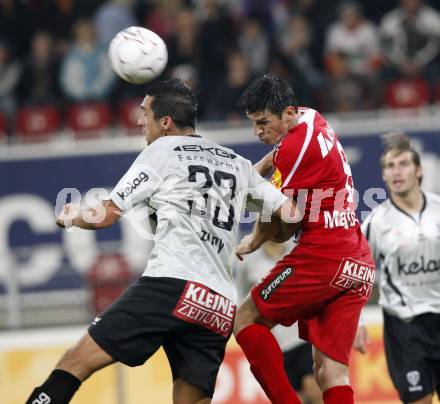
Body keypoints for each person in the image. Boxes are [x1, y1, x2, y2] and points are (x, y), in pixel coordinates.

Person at [25, 79, 294, 404]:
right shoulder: (237, 164)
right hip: (219, 304)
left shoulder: (161, 151)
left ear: (165, 121)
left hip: (172, 284)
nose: (140, 121)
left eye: (145, 113)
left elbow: (107, 214)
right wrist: (256, 237)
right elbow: (288, 213)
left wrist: (72, 216)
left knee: (75, 361)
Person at [233, 73, 375, 404]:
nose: (258, 131)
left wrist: (254, 240)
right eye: (253, 124)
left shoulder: (295, 149)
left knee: (246, 318)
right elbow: (275, 157)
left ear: (286, 114)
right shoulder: (311, 116)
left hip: (323, 256)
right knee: (330, 372)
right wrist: (253, 172)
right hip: (357, 261)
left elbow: (283, 217)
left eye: (263, 122)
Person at [357, 132, 440, 404]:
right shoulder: (376, 222)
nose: (397, 172)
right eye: (390, 166)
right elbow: (355, 272)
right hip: (405, 327)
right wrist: (355, 321)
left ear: (418, 170)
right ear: (383, 175)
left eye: (403, 164)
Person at [235, 240, 323, 404]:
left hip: (301, 336)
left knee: (313, 389)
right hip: (275, 342)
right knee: (295, 397)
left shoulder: (297, 249)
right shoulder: (249, 260)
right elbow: (240, 294)